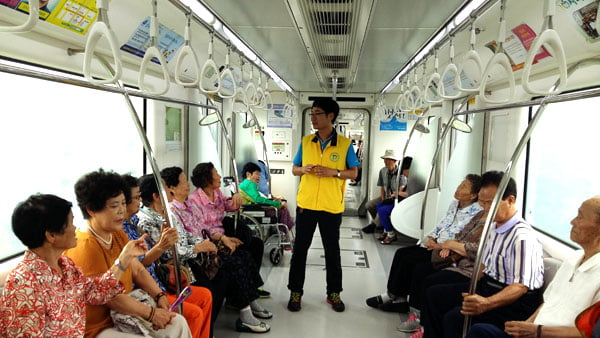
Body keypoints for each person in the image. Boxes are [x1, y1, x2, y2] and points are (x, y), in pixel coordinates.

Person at [64, 169, 192, 338]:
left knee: (178, 323)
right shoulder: (85, 247)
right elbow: (110, 298)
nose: (121, 211)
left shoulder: (116, 233)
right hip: (100, 326)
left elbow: (138, 269)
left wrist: (159, 295)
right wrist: (151, 313)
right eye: (114, 206)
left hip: (125, 314)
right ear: (91, 210)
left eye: (123, 204)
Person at [0, 194, 146, 337]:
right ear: (51, 235)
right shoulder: (24, 285)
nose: (74, 228)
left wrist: (125, 258)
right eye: (70, 223)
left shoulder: (66, 266)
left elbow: (96, 292)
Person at [421, 171, 544, 338]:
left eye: (490, 203)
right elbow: (484, 266)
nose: (486, 209)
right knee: (435, 295)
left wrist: (485, 303)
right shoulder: (494, 227)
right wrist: (472, 290)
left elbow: (520, 287)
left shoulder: (522, 238)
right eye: (482, 202)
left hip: (513, 302)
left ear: (510, 200)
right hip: (488, 286)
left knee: (455, 318)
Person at [466, 196, 600, 338]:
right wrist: (527, 326)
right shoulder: (574, 258)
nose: (572, 222)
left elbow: (591, 333)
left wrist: (538, 331)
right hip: (536, 331)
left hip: (547, 334)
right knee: (479, 331)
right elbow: (548, 302)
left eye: (580, 217)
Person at [161, 166, 272, 333]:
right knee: (235, 263)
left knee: (245, 255)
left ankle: (249, 301)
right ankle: (246, 312)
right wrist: (209, 244)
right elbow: (185, 242)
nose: (187, 184)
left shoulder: (189, 204)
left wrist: (221, 239)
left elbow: (203, 227)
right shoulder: (174, 211)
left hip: (209, 245)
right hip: (197, 257)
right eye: (183, 181)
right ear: (171, 188)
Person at [365, 174, 483, 313]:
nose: (458, 188)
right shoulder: (454, 204)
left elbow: (462, 234)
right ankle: (395, 296)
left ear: (473, 195)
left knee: (412, 262)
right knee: (401, 253)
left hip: (446, 249)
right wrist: (432, 237)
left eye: (464, 187)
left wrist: (443, 245)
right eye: (460, 184)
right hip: (436, 243)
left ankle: (401, 301)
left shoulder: (477, 211)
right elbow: (443, 223)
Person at [287, 97, 360, 312]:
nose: (313, 117)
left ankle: (334, 293)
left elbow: (354, 173)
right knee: (300, 251)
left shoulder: (345, 145)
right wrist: (304, 169)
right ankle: (295, 292)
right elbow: (294, 169)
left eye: (317, 113)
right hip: (306, 205)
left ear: (331, 116)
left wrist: (334, 173)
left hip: (330, 207)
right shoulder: (306, 141)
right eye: (311, 113)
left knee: (332, 252)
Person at [121, 174, 213, 338]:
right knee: (194, 313)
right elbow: (139, 266)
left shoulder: (135, 222)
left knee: (206, 295)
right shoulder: (136, 225)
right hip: (146, 291)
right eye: (136, 197)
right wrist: (163, 246)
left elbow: (186, 236)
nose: (139, 201)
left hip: (158, 285)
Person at [187, 162, 267, 280]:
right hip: (211, 239)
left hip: (223, 234)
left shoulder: (217, 193)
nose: (220, 177)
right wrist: (224, 239)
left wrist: (235, 198)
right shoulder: (194, 201)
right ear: (208, 179)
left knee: (257, 244)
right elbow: (202, 229)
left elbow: (229, 206)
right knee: (241, 255)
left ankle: (254, 283)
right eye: (216, 174)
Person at [239, 161, 294, 231]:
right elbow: (258, 199)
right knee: (283, 210)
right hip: (254, 211)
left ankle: (284, 233)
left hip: (249, 210)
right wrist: (278, 204)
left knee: (281, 207)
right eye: (256, 174)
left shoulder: (244, 184)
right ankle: (284, 233)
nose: (259, 177)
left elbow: (256, 198)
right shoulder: (250, 184)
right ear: (248, 174)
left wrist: (273, 202)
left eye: (259, 175)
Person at [362, 149, 402, 234]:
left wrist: (390, 200)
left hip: (394, 199)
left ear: (394, 161)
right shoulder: (383, 171)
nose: (385, 162)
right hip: (386, 196)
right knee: (369, 205)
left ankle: (375, 225)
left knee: (381, 208)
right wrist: (383, 199)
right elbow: (382, 187)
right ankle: (379, 224)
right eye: (385, 159)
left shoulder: (400, 173)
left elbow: (401, 190)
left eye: (388, 159)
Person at [377, 155, 413, 243]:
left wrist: (397, 193)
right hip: (398, 199)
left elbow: (410, 194)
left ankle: (391, 234)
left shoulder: (410, 178)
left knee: (383, 210)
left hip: (405, 203)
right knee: (379, 205)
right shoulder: (383, 171)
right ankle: (386, 230)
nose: (403, 174)